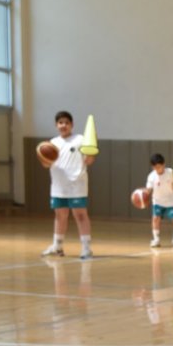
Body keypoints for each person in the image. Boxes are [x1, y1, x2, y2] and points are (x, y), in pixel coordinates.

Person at [39, 111, 96, 260]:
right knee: (60, 215)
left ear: (72, 125)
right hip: (58, 186)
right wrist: (43, 158)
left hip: (77, 184)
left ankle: (86, 248)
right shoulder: (52, 143)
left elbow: (89, 160)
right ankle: (57, 246)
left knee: (80, 215)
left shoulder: (80, 139)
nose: (63, 125)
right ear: (56, 125)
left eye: (66, 122)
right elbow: (46, 164)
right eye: (60, 122)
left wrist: (90, 155)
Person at [145, 154, 173, 247]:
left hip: (171, 201)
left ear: (164, 164)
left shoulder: (170, 172)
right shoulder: (151, 176)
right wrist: (144, 195)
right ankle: (156, 239)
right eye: (155, 167)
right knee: (155, 219)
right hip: (157, 202)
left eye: (159, 166)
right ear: (152, 167)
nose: (158, 169)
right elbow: (148, 190)